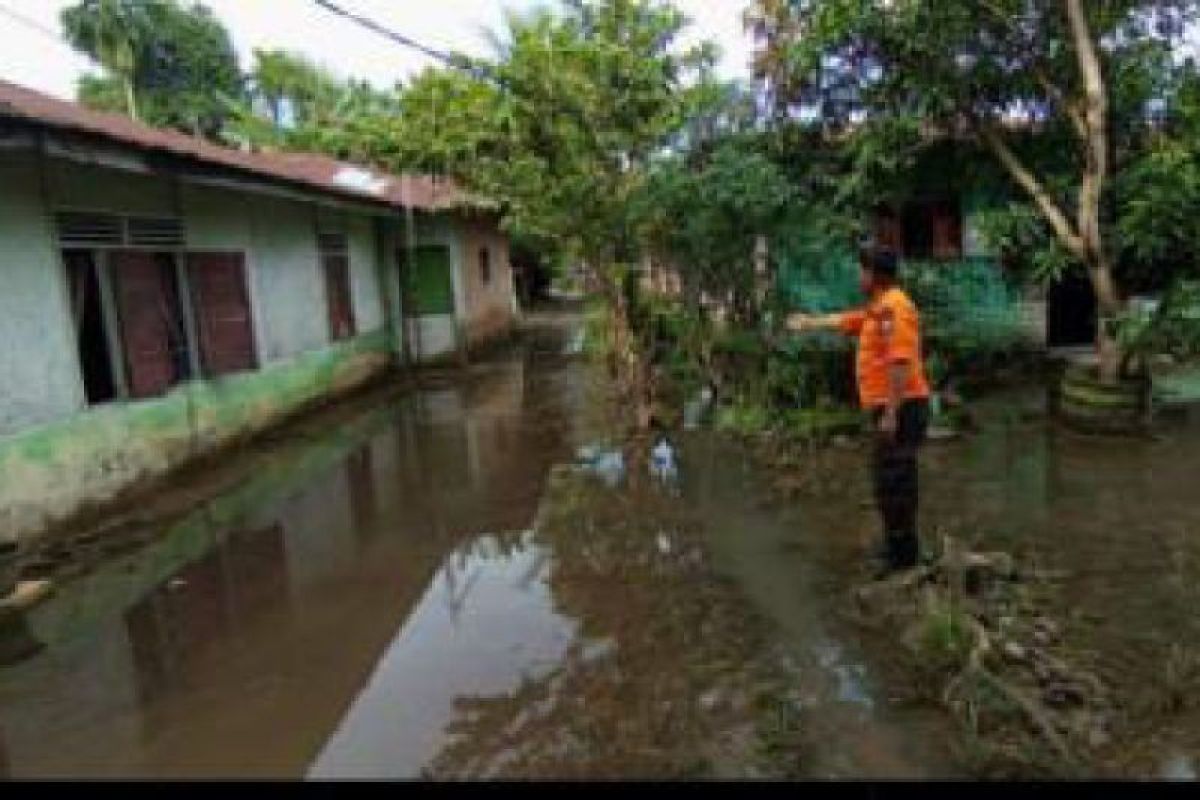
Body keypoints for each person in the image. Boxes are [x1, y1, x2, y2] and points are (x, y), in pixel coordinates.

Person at [786, 247, 931, 576]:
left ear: (874, 275)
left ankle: (903, 556)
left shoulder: (896, 308)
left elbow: (900, 361)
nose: (858, 277)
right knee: (887, 477)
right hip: (891, 407)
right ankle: (897, 545)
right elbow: (850, 320)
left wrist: (892, 413)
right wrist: (810, 323)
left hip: (902, 407)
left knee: (895, 479)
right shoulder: (880, 309)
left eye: (862, 271)